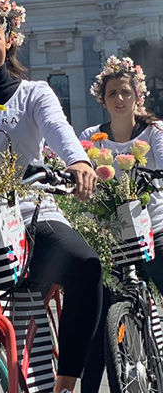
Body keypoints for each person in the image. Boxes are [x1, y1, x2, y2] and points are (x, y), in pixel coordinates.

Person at [0, 0, 101, 393]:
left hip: (32, 210)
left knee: (86, 265)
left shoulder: (35, 92)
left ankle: (65, 381)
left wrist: (78, 162)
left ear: (10, 39)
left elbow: (60, 130)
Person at [79, 56, 163, 392]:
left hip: (154, 228)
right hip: (110, 235)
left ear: (137, 96)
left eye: (125, 92)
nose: (119, 99)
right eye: (111, 93)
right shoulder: (92, 137)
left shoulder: (155, 132)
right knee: (98, 317)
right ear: (102, 99)